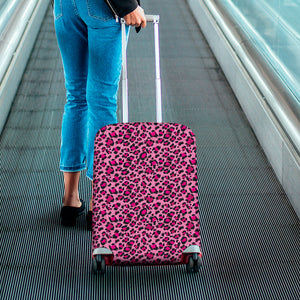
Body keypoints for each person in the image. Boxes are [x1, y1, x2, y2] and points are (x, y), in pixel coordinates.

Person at [53, 0, 146, 227]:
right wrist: (127, 5)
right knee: (102, 102)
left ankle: (70, 199)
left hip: (64, 7)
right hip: (103, 8)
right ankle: (100, 204)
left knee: (75, 97)